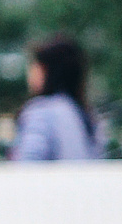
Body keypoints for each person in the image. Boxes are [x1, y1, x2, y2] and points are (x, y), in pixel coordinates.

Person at [10, 33, 103, 162]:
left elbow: (28, 165)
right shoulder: (83, 114)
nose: (30, 73)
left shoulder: (41, 112)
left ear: (47, 71)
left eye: (35, 66)